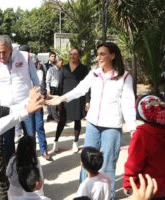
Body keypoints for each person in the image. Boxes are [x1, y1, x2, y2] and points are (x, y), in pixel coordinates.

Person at [47, 42, 136, 199]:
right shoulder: (94, 73)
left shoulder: (124, 76)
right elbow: (80, 89)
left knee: (108, 164)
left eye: (103, 54)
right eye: (98, 54)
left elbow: (128, 104)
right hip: (93, 124)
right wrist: (61, 98)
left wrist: (133, 128)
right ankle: (84, 195)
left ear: (113, 55)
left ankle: (108, 196)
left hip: (111, 126)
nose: (99, 57)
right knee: (86, 162)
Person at [0, 35, 46, 161]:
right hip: (6, 107)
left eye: (4, 52)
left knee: (29, 136)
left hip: (26, 104)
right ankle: (11, 168)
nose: (1, 56)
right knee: (8, 140)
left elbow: (34, 79)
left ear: (10, 48)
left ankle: (30, 165)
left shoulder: (25, 57)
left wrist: (37, 97)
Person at [123, 95, 165, 199]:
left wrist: (128, 183)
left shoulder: (142, 134)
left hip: (147, 189)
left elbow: (133, 163)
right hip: (164, 187)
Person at [51, 48, 89, 153]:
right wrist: (59, 99)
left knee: (77, 120)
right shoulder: (64, 68)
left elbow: (87, 86)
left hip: (78, 98)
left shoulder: (83, 68)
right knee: (61, 121)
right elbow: (60, 85)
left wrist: (87, 100)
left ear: (79, 56)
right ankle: (56, 142)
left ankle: (75, 142)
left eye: (75, 54)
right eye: (71, 54)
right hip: (65, 97)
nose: (72, 56)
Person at [46, 56, 63, 122]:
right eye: (61, 62)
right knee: (53, 105)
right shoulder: (51, 70)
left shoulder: (62, 69)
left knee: (59, 103)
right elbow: (47, 81)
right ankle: (57, 119)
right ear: (57, 62)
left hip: (59, 88)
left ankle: (54, 117)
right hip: (53, 88)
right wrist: (48, 89)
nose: (62, 63)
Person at [44, 51, 57, 122]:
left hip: (54, 86)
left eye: (54, 56)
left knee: (53, 102)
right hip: (47, 85)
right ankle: (51, 116)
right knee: (49, 102)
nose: (53, 58)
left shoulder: (56, 65)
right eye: (52, 56)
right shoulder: (45, 65)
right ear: (49, 57)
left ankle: (52, 116)